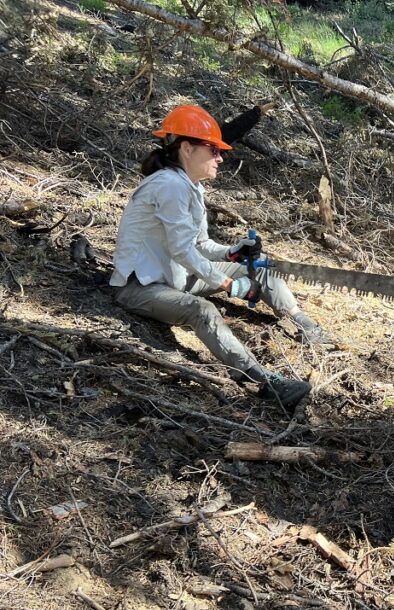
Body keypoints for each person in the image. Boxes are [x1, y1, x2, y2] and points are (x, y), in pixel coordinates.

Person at [110, 104, 331, 411]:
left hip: (176, 277)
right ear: (187, 149)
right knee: (203, 310)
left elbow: (198, 244)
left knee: (260, 267)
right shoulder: (169, 186)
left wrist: (232, 253)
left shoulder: (190, 186)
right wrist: (226, 282)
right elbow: (182, 251)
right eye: (213, 149)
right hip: (140, 287)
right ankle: (263, 382)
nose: (220, 157)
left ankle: (305, 326)